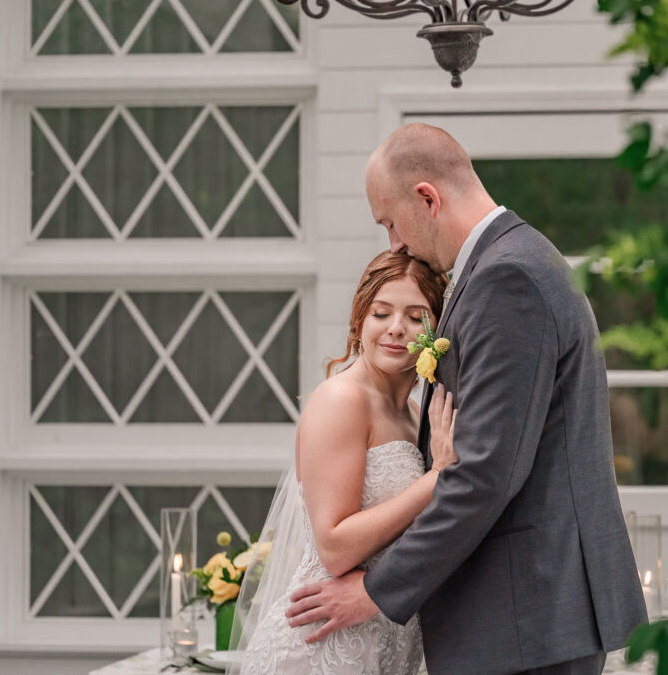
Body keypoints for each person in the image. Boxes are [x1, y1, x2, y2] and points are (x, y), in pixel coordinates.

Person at [285, 124, 647, 674]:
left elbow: (485, 473)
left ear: (427, 198)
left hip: (525, 617)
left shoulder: (508, 279)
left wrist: (377, 591)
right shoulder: (516, 260)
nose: (394, 244)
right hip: (530, 616)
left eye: (390, 222)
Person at [230, 251, 457, 675]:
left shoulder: (414, 414)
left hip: (384, 642)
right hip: (319, 646)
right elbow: (334, 548)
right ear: (359, 322)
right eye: (381, 313)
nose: (395, 328)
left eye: (415, 315)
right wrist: (436, 479)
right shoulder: (341, 400)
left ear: (436, 330)